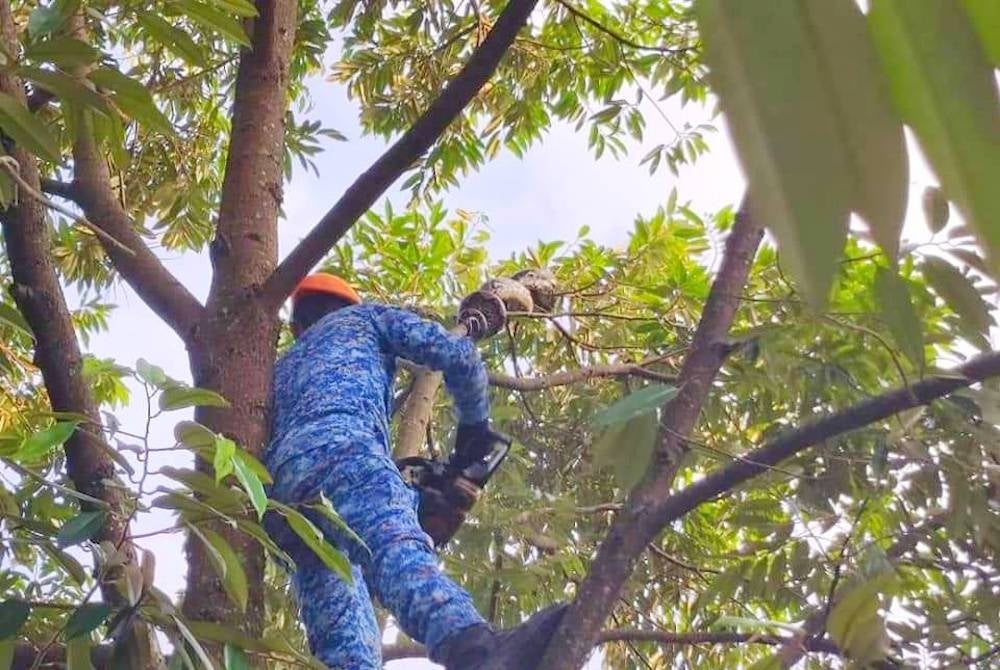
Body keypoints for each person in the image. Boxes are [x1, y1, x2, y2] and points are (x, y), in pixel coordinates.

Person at [263, 273, 565, 670]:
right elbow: (455, 354)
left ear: (296, 327)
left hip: (277, 498)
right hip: (343, 452)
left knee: (340, 621)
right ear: (353, 306)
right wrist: (475, 424)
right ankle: (476, 651)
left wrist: (413, 495)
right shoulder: (367, 319)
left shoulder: (280, 370)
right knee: (395, 548)